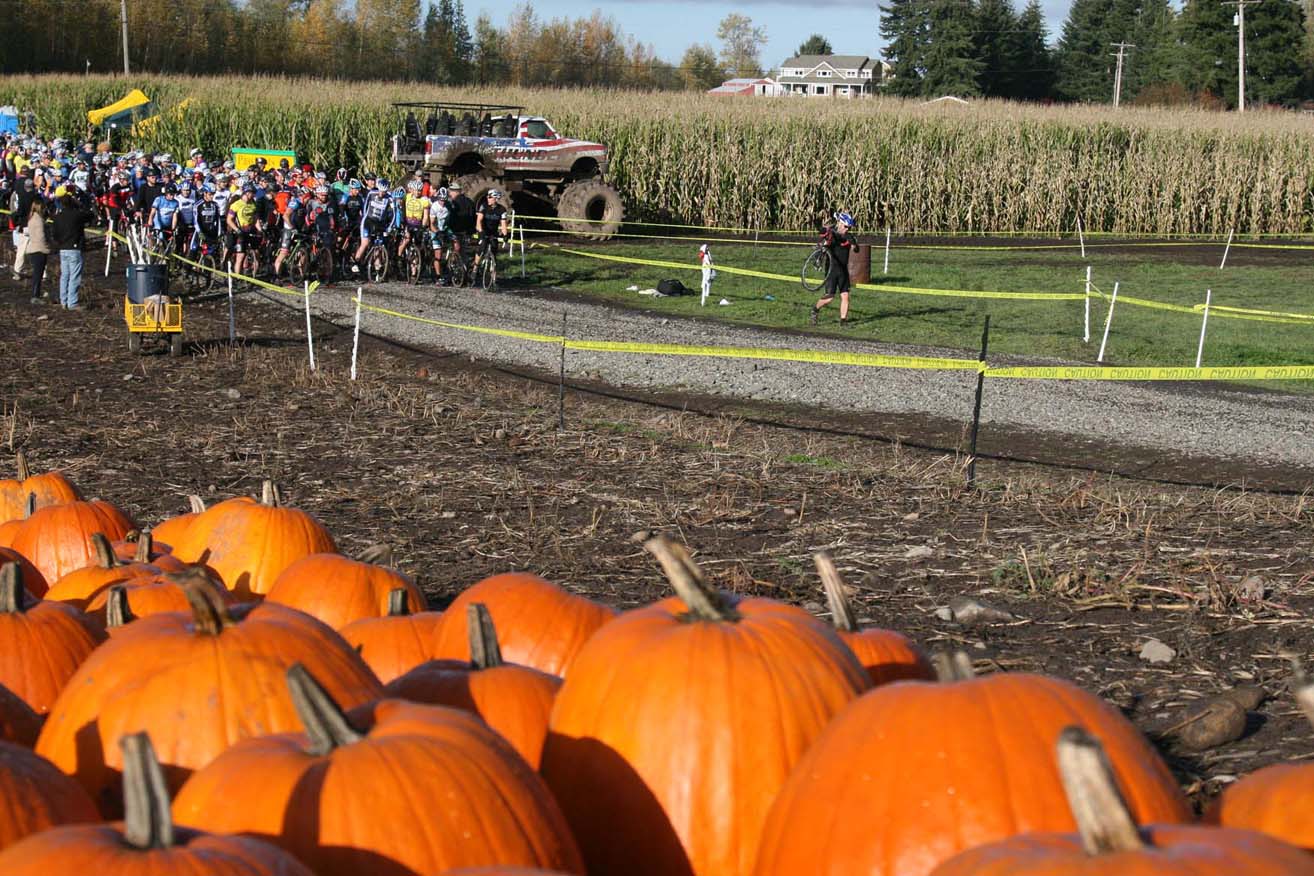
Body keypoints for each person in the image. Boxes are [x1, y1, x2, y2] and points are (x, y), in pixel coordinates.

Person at [811, 211, 860, 327]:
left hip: (843, 270)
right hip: (832, 271)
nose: (847, 229)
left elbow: (856, 249)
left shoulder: (849, 236)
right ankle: (815, 309)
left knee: (845, 296)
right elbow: (823, 234)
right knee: (829, 297)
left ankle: (843, 321)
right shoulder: (832, 235)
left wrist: (853, 245)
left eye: (849, 227)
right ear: (840, 223)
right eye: (846, 226)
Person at [50, 192, 94, 310]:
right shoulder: (77, 215)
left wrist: (60, 242)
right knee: (74, 276)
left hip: (63, 248)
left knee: (64, 275)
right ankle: (72, 302)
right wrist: (80, 204)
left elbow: (54, 234)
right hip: (74, 248)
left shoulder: (57, 217)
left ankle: (63, 301)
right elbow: (91, 215)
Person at [473, 188, 508, 276]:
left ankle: (493, 277)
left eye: (490, 197)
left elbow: (503, 224)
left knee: (494, 252)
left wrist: (505, 235)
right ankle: (475, 268)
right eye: (487, 197)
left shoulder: (502, 209)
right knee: (482, 247)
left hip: (493, 232)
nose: (488, 199)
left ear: (496, 199)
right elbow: (478, 221)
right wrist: (480, 231)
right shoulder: (483, 206)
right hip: (483, 230)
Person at [446, 180, 475, 274]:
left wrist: (448, 228)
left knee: (455, 249)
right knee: (464, 251)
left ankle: (453, 270)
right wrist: (471, 230)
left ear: (455, 192)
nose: (450, 194)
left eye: (450, 192)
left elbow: (450, 217)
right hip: (467, 231)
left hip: (456, 230)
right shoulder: (470, 202)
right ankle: (465, 270)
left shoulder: (453, 203)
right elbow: (473, 217)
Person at [23, 198, 49, 304]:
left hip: (33, 248)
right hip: (39, 249)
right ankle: (35, 296)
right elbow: (41, 236)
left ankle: (36, 294)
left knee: (36, 274)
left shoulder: (31, 218)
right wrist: (48, 245)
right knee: (38, 275)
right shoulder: (39, 220)